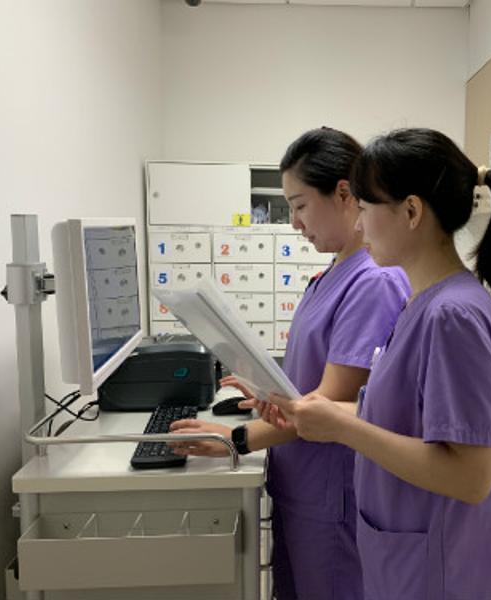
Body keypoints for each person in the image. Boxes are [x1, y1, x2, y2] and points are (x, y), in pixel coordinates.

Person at [266, 128, 491, 600]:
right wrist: (323, 413)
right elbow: (403, 415)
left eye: (366, 209)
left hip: (445, 569)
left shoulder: (452, 315)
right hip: (413, 556)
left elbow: (470, 476)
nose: (359, 225)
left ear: (411, 212)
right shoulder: (423, 302)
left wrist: (344, 428)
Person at [169, 127, 410, 600]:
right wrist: (265, 390)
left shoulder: (373, 282)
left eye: (300, 206)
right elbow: (311, 382)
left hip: (331, 495)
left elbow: (329, 409)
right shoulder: (333, 273)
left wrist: (235, 440)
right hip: (301, 486)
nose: (295, 222)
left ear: (345, 193)